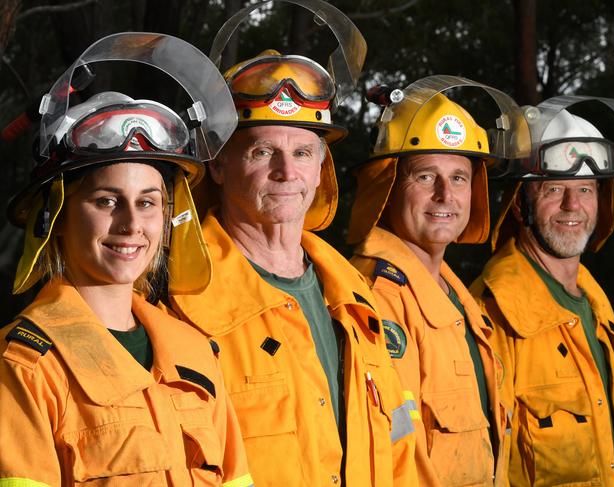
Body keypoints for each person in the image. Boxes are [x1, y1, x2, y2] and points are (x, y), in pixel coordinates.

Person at [170, 1, 417, 485]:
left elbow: (402, 446)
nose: (287, 173)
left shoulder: (356, 297)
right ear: (218, 165)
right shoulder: (177, 297)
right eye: (263, 151)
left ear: (321, 166)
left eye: (303, 152)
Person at [0, 33, 252, 487]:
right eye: (106, 200)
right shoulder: (24, 367)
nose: (132, 224)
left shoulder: (195, 353)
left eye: (149, 202)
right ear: (55, 215)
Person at [347, 77, 530, 486]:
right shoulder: (373, 298)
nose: (446, 195)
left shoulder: (459, 299)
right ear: (387, 187)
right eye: (426, 177)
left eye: (460, 178)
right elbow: (388, 455)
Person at [470, 96, 614, 486]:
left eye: (585, 189)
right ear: (520, 205)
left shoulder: (595, 309)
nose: (573, 206)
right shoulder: (493, 312)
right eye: (554, 190)